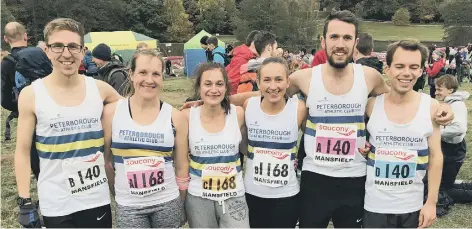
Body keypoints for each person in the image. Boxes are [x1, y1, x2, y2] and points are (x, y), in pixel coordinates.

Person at [180, 10, 454, 227]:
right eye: (334, 37)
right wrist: (211, 101)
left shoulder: (369, 78)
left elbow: (393, 102)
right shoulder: (305, 77)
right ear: (323, 41)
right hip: (315, 180)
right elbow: (265, 93)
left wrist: (441, 109)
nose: (340, 44)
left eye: (347, 38)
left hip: (356, 180)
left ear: (355, 43)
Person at [14, 18, 121, 228]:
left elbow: (135, 107)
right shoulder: (31, 95)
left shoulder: (100, 89)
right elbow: (22, 151)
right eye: (57, 46)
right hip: (56, 201)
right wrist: (25, 200)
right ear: (46, 50)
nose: (66, 53)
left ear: (82, 51)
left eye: (73, 46)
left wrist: (199, 107)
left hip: (95, 199)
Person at [102, 49, 189, 228]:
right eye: (142, 72)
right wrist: (116, 191)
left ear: (162, 77)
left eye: (156, 74)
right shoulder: (111, 112)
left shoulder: (175, 117)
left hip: (167, 201)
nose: (149, 80)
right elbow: (106, 161)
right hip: (129, 205)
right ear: (131, 74)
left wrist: (181, 201)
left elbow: (181, 165)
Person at [362, 39, 443, 228]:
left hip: (412, 206)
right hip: (375, 206)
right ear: (387, 68)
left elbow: (436, 156)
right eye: (399, 66)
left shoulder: (431, 107)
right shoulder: (371, 105)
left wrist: (431, 203)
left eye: (414, 67)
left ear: (421, 71)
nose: (406, 73)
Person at [242, 57, 307, 228]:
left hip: (286, 196)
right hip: (252, 194)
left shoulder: (298, 108)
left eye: (279, 79)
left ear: (288, 82)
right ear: (258, 82)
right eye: (267, 80)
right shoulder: (249, 106)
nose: (273, 87)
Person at [182, 63, 249, 228]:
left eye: (219, 84)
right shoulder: (186, 116)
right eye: (207, 84)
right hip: (199, 197)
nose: (214, 89)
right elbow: (180, 162)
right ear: (199, 87)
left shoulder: (238, 113)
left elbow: (261, 93)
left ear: (226, 87)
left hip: (234, 195)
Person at [434, 75, 472, 205]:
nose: (436, 92)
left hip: (453, 151)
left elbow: (459, 128)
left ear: (450, 90)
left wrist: (436, 133)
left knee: (443, 190)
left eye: (439, 89)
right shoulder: (449, 102)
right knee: (440, 183)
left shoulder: (456, 105)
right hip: (449, 149)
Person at [226, 30, 261, 95]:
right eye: (261, 45)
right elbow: (233, 81)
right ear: (253, 43)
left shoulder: (246, 56)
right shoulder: (242, 58)